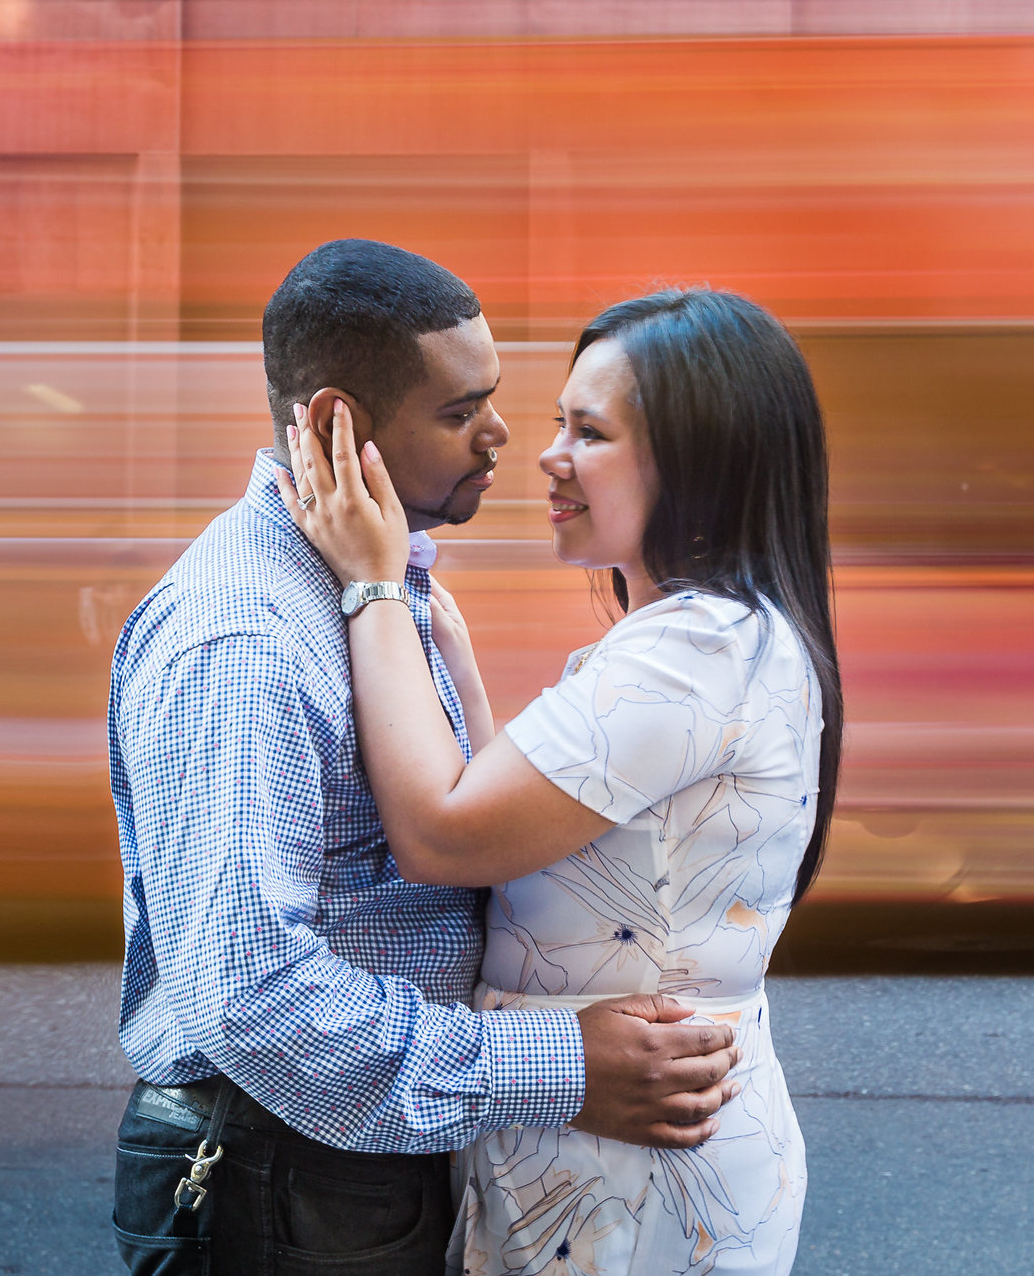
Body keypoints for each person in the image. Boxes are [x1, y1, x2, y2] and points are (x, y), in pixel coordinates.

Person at [106, 241, 745, 1276]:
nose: (505, 436)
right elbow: (245, 992)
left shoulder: (375, 587)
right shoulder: (244, 636)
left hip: (349, 1154)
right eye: (459, 412)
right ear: (332, 424)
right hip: (288, 1166)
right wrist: (559, 1064)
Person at [281, 287, 841, 1276]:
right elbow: (537, 837)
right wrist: (439, 639)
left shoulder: (688, 651)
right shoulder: (722, 631)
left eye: (589, 431)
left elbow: (443, 833)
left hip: (627, 1183)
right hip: (630, 1163)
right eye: (558, 422)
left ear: (695, 461)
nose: (545, 454)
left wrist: (370, 582)